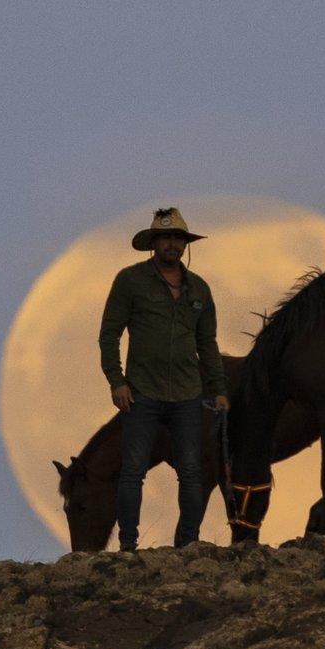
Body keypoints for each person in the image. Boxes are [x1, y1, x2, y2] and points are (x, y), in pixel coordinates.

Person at [98, 207, 229, 551]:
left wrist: (218, 389)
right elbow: (109, 333)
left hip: (187, 393)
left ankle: (188, 544)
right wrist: (117, 381)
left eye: (178, 239)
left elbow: (207, 342)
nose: (172, 244)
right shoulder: (130, 280)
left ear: (185, 244)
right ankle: (128, 546)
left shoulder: (199, 288)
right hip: (141, 392)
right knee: (133, 471)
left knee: (191, 471)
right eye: (166, 238)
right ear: (153, 243)